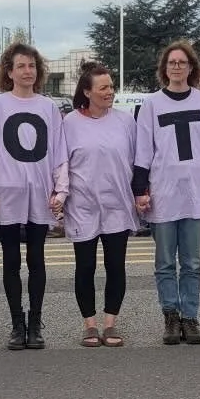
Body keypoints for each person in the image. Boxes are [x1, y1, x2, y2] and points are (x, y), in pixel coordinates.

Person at [0, 42, 68, 351]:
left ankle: (35, 323)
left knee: (37, 259)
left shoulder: (48, 107)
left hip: (40, 192)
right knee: (11, 260)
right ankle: (17, 322)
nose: (27, 71)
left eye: (32, 66)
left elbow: (59, 153)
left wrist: (61, 189)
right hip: (7, 193)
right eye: (21, 66)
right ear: (10, 71)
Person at [133, 40, 200, 346]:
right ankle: (171, 315)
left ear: (191, 67)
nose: (177, 67)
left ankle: (190, 316)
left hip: (195, 193)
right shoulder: (152, 105)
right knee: (165, 263)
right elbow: (143, 151)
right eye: (172, 62)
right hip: (164, 193)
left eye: (182, 62)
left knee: (194, 262)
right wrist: (140, 189)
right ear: (164, 68)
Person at [63, 62, 137, 347]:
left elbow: (137, 159)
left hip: (118, 204)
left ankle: (110, 324)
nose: (110, 92)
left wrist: (141, 192)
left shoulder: (125, 121)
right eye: (103, 87)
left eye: (111, 86)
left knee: (116, 265)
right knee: (85, 266)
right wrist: (59, 197)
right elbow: (61, 162)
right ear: (87, 91)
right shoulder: (69, 123)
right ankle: (89, 325)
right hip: (82, 205)